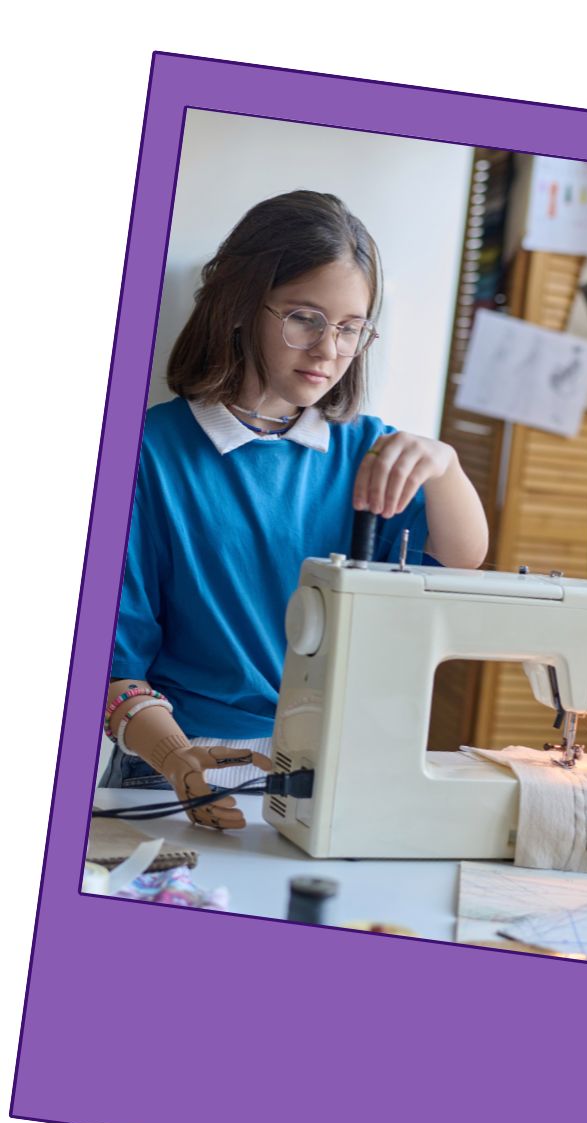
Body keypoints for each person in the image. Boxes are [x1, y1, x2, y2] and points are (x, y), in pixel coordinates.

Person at [102, 190, 489, 829]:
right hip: (179, 768)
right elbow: (112, 661)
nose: (329, 349)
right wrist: (177, 758)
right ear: (238, 305)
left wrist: (444, 465)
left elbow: (461, 561)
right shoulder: (145, 453)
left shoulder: (370, 450)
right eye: (305, 318)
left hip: (336, 769)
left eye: (350, 327)